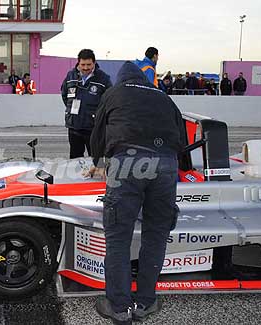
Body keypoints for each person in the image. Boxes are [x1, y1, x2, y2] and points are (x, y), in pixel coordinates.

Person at [89, 61, 185, 325]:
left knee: (118, 237)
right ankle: (145, 303)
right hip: (166, 165)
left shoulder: (114, 93)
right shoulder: (163, 97)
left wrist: (97, 162)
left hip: (127, 163)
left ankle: (119, 307)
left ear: (121, 79)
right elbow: (182, 140)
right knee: (156, 236)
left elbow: (98, 133)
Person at [61, 49, 112, 159]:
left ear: (94, 63)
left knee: (96, 159)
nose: (85, 68)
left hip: (94, 128)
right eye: (83, 64)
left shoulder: (103, 79)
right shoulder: (70, 76)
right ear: (78, 63)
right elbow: (64, 95)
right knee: (75, 160)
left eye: (89, 64)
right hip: (74, 126)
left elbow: (109, 100)